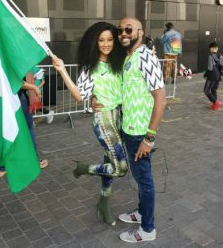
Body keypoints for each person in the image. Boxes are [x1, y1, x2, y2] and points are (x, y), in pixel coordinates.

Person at [52, 22, 127, 225]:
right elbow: (79, 96)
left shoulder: (120, 61)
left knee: (109, 165)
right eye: (101, 40)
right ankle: (84, 168)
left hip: (120, 118)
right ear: (94, 43)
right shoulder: (90, 67)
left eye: (110, 39)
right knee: (121, 168)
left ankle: (104, 203)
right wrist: (62, 71)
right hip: (103, 120)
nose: (106, 44)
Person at [114, 17, 166, 243]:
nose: (123, 33)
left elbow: (161, 99)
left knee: (144, 181)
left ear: (140, 32)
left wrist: (149, 138)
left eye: (128, 29)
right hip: (129, 129)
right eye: (120, 30)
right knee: (139, 177)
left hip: (139, 134)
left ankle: (147, 229)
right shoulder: (131, 57)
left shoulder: (146, 57)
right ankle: (141, 212)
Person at [203, 42, 223, 110]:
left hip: (211, 76)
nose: (209, 50)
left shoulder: (210, 56)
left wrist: (205, 74)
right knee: (214, 89)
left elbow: (210, 68)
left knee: (206, 90)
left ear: (212, 48)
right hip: (218, 76)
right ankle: (215, 106)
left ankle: (216, 102)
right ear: (217, 48)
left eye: (210, 48)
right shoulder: (221, 56)